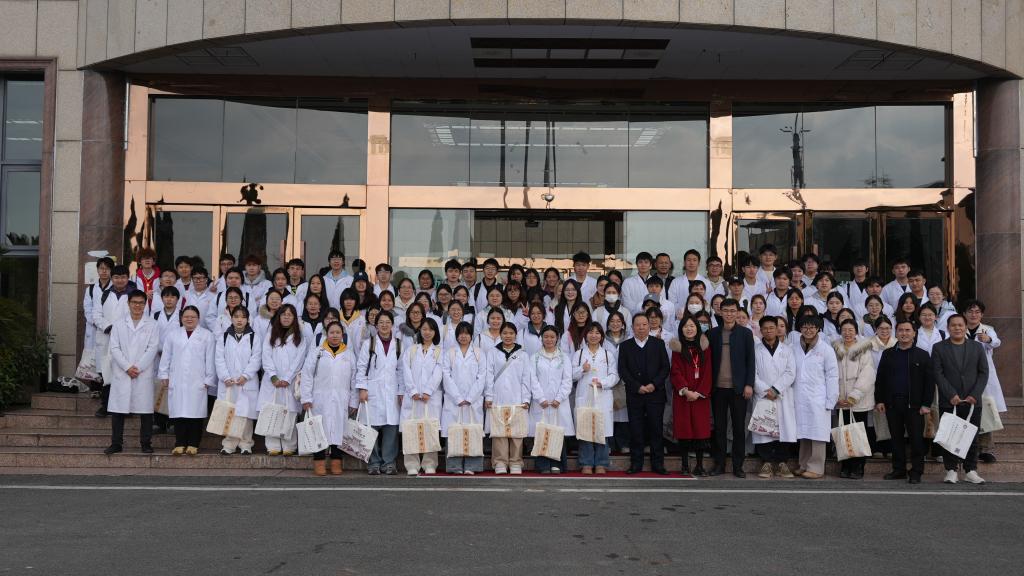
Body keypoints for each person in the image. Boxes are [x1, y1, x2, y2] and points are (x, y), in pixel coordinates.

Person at [931, 314, 988, 484]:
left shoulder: (977, 347)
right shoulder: (939, 348)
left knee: (972, 435)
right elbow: (938, 374)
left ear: (965, 327)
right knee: (949, 436)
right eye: (953, 325)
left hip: (972, 401)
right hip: (949, 401)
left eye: (960, 325)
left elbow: (983, 373)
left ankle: (970, 470)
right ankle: (951, 470)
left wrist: (974, 395)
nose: (957, 328)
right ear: (948, 328)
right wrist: (951, 394)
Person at [875, 319, 934, 484]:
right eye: (900, 330)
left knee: (916, 440)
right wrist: (879, 400)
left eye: (908, 330)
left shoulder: (922, 355)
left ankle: (916, 471)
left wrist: (926, 404)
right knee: (896, 438)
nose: (904, 333)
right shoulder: (888, 354)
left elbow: (929, 382)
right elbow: (880, 379)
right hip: (893, 403)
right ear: (896, 333)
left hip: (915, 405)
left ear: (914, 333)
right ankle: (898, 469)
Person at [104, 291, 161, 455]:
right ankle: (116, 443)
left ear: (145, 304)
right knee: (118, 410)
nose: (137, 305)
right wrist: (127, 367)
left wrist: (139, 367)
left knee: (145, 411)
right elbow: (114, 348)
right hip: (123, 372)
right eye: (134, 302)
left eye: (141, 303)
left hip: (143, 372)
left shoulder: (152, 324)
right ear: (128, 303)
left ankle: (146, 443)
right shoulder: (118, 324)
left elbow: (152, 348)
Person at [158, 305, 216, 456]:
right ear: (181, 318)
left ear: (198, 318)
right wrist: (164, 374)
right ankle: (179, 443)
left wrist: (209, 378)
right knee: (179, 412)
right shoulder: (173, 335)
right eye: (186, 316)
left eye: (193, 317)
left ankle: (193, 444)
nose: (189, 319)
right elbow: (166, 356)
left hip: (198, 380)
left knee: (195, 413)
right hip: (177, 378)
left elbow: (210, 359)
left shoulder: (207, 335)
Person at [708, 298, 756, 478]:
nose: (729, 314)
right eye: (726, 311)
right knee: (719, 428)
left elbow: (751, 361)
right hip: (718, 388)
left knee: (738, 429)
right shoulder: (713, 334)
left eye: (732, 311)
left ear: (737, 312)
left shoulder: (745, 333)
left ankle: (738, 466)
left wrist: (749, 384)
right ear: (720, 312)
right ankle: (719, 464)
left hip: (738, 389)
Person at [301, 322, 356, 476]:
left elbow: (354, 379)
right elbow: (307, 375)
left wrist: (353, 400)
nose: (335, 335)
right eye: (332, 332)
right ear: (327, 334)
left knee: (339, 430)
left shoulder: (349, 354)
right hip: (319, 399)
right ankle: (319, 462)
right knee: (319, 430)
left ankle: (336, 462)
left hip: (341, 398)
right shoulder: (317, 352)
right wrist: (306, 398)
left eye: (338, 332)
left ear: (342, 334)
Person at [618, 314, 671, 474]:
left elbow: (665, 368)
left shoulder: (658, 344)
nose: (641, 327)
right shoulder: (625, 346)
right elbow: (623, 370)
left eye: (644, 324)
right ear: (632, 327)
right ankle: (636, 463)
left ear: (649, 326)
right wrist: (637, 387)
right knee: (636, 430)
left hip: (655, 394)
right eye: (638, 325)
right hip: (635, 394)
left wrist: (654, 384)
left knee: (656, 429)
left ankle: (658, 464)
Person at [791, 315, 839, 479]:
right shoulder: (793, 348)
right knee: (804, 432)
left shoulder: (826, 349)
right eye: (805, 327)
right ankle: (803, 464)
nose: (808, 330)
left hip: (819, 398)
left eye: (812, 327)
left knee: (817, 434)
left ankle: (816, 468)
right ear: (800, 328)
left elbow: (832, 376)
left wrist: (831, 399)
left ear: (818, 329)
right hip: (799, 396)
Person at [356, 310, 403, 475]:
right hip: (372, 391)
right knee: (371, 428)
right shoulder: (368, 344)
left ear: (392, 325)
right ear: (376, 325)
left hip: (392, 391)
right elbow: (361, 368)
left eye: (387, 322)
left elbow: (401, 370)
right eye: (381, 322)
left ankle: (389, 463)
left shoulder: (399, 344)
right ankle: (374, 463)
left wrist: (401, 392)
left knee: (391, 428)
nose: (384, 325)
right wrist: (362, 388)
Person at [259, 304, 309, 456]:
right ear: (279, 317)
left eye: (290, 314)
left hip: (290, 381)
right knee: (272, 412)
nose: (286, 317)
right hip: (272, 381)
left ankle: (289, 446)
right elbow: (266, 356)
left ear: (294, 318)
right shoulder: (271, 334)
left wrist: (287, 378)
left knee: (290, 413)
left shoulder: (300, 337)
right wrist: (273, 376)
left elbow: (299, 360)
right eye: (283, 314)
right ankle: (272, 445)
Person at [752, 315, 797, 479]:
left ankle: (782, 462)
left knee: (783, 428)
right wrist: (766, 390)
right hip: (763, 395)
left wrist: (776, 389)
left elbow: (791, 372)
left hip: (782, 395)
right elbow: (753, 373)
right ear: (761, 330)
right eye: (765, 328)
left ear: (777, 329)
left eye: (772, 327)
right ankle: (766, 462)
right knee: (764, 428)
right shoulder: (755, 350)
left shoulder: (787, 350)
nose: (768, 331)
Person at [962, 299, 1007, 463]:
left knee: (985, 411)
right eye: (970, 311)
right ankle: (964, 448)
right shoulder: (959, 327)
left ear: (981, 315)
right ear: (964, 314)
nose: (973, 315)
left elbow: (996, 342)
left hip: (983, 376)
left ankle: (986, 449)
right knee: (964, 410)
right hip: (963, 375)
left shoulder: (988, 330)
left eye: (977, 312)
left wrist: (988, 340)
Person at [571, 323, 618, 475]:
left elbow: (614, 376)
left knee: (601, 429)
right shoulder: (578, 354)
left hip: (602, 396)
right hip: (584, 396)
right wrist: (582, 370)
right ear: (586, 335)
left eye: (597, 333)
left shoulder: (607, 355)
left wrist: (602, 383)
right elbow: (571, 375)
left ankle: (601, 463)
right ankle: (586, 463)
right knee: (585, 429)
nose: (594, 335)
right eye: (591, 332)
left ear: (602, 336)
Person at [485, 321, 532, 475]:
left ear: (516, 335)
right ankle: (500, 462)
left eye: (511, 333)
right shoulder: (492, 352)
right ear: (500, 334)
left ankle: (516, 461)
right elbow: (489, 375)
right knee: (499, 431)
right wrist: (488, 396)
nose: (508, 336)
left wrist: (526, 398)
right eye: (505, 333)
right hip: (498, 397)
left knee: (516, 431)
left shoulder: (523, 354)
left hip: (517, 397)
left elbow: (526, 377)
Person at [214, 306, 262, 456]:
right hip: (229, 382)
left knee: (245, 415)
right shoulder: (223, 337)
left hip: (246, 382)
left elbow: (256, 358)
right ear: (231, 318)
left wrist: (246, 375)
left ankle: (246, 444)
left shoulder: (254, 337)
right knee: (230, 412)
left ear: (247, 319)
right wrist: (225, 377)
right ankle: (229, 444)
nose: (239, 320)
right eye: (236, 316)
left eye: (243, 317)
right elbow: (219, 359)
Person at [832, 319, 875, 479]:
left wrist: (854, 395)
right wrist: (836, 396)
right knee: (844, 434)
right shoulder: (835, 348)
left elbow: (868, 374)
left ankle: (858, 466)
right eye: (844, 329)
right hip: (840, 400)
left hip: (858, 401)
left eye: (851, 330)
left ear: (856, 331)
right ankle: (845, 465)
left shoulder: (863, 349)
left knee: (857, 434)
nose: (847, 333)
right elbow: (830, 373)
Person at [93, 265, 139, 417]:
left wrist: (123, 331)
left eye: (123, 277)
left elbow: (140, 315)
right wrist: (109, 327)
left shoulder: (134, 295)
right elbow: (96, 315)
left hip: (128, 340)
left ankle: (127, 408)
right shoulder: (105, 294)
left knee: (126, 372)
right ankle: (106, 406)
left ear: (128, 278)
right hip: (107, 337)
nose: (120, 280)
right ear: (112, 279)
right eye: (116, 277)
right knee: (107, 373)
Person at [400, 318, 444, 475]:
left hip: (430, 398)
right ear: (420, 331)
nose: (427, 332)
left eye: (431, 329)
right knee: (411, 429)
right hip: (413, 397)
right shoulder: (411, 350)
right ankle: (411, 464)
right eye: (424, 329)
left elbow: (439, 372)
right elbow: (405, 370)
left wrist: (428, 391)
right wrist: (412, 391)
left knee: (430, 429)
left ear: (435, 332)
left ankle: (429, 463)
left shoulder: (439, 351)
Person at [441, 322, 486, 475]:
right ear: (456, 336)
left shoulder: (479, 353)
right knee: (454, 432)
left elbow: (482, 376)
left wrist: (471, 397)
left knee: (473, 432)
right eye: (461, 333)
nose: (463, 336)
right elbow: (446, 375)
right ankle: (454, 466)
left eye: (467, 333)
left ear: (471, 335)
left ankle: (472, 466)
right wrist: (458, 397)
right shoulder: (450, 353)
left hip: (473, 401)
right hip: (454, 401)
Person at [669, 316, 711, 476]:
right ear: (681, 329)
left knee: (700, 431)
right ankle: (685, 465)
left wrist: (698, 392)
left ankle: (700, 465)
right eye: (686, 326)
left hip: (700, 396)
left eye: (692, 326)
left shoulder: (705, 347)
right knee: (684, 431)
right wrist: (686, 391)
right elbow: (675, 372)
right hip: (683, 396)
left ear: (697, 328)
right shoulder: (677, 349)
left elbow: (708, 372)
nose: (689, 329)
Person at [529, 325, 574, 474]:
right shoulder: (534, 357)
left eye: (552, 337)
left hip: (558, 403)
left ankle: (557, 464)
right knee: (542, 432)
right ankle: (543, 465)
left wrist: (559, 398)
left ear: (557, 338)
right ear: (542, 338)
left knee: (557, 433)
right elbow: (532, 379)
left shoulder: (564, 358)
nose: (549, 339)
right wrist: (540, 398)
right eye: (546, 336)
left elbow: (567, 380)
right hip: (540, 403)